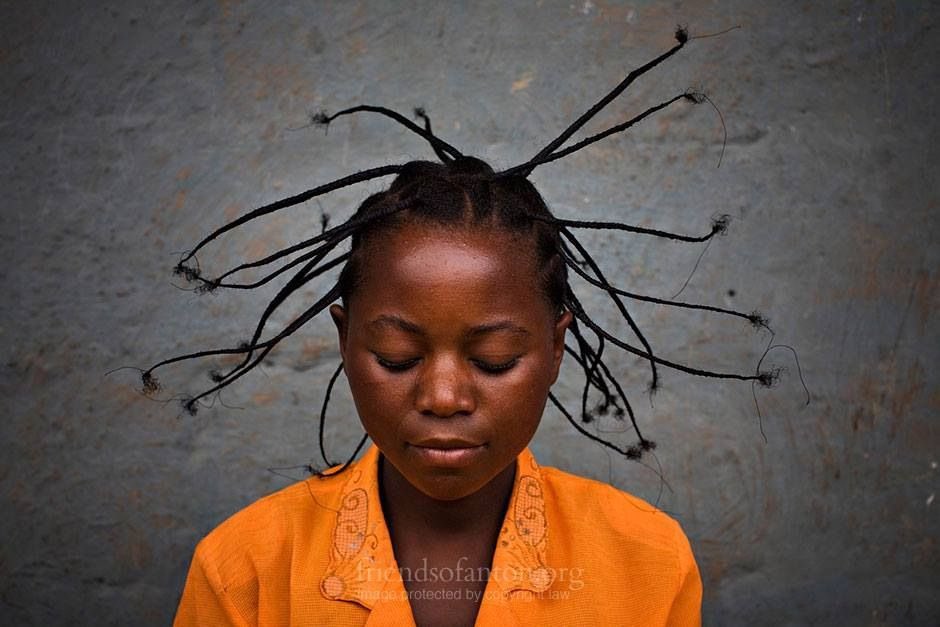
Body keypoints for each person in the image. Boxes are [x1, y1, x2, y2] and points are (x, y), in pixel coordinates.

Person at [151, 28, 771, 626]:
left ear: (557, 348)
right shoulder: (246, 572)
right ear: (344, 341)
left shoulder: (647, 562)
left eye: (495, 358)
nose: (444, 397)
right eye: (397, 355)